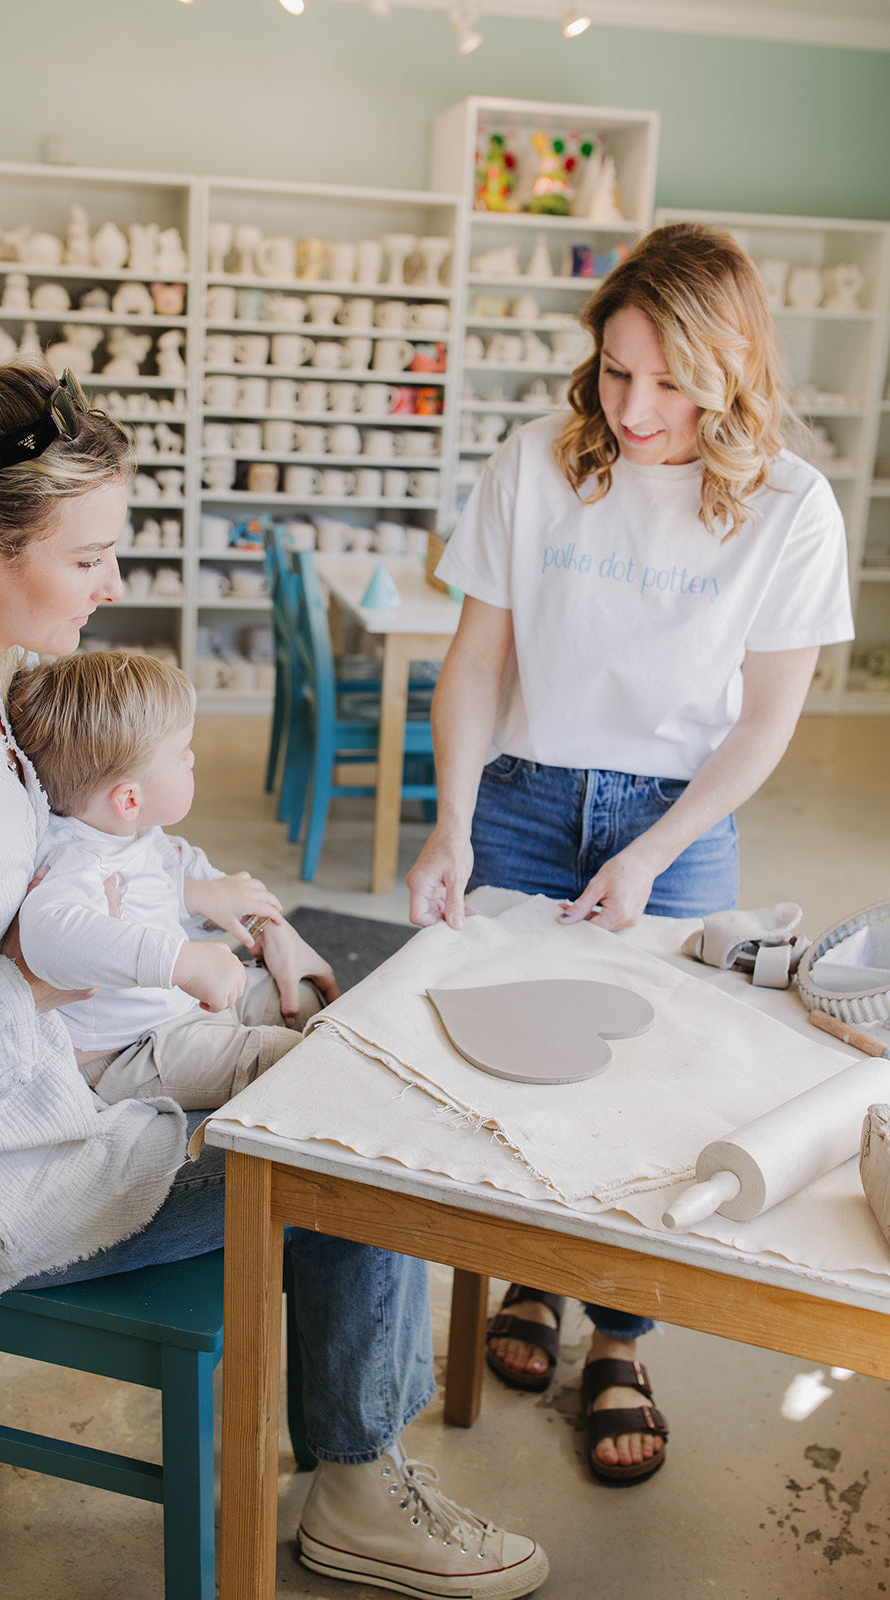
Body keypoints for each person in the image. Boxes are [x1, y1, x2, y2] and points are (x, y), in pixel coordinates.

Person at [0, 358, 548, 1598]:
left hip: (50, 1098)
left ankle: (350, 1436)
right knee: (357, 1137)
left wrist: (218, 901)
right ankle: (359, 1487)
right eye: (91, 555)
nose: (113, 584)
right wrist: (28, 996)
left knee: (330, 1038)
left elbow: (84, 831)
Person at [407, 223, 854, 1487]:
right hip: (523, 798)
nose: (635, 407)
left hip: (682, 817)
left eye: (668, 380)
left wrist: (655, 851)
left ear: (730, 367)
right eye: (613, 372)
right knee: (507, 1063)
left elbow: (765, 718)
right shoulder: (535, 462)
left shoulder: (787, 506)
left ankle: (619, 1335)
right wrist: (447, 822)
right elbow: (477, 662)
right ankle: (530, 1285)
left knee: (655, 1085)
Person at [8, 648, 320, 1119]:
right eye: (182, 755)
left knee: (307, 1001)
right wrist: (182, 961)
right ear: (129, 799)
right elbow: (49, 935)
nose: (193, 758)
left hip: (180, 1011)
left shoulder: (137, 837)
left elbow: (183, 873)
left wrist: (249, 915)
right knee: (291, 1062)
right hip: (130, 1050)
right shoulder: (76, 861)